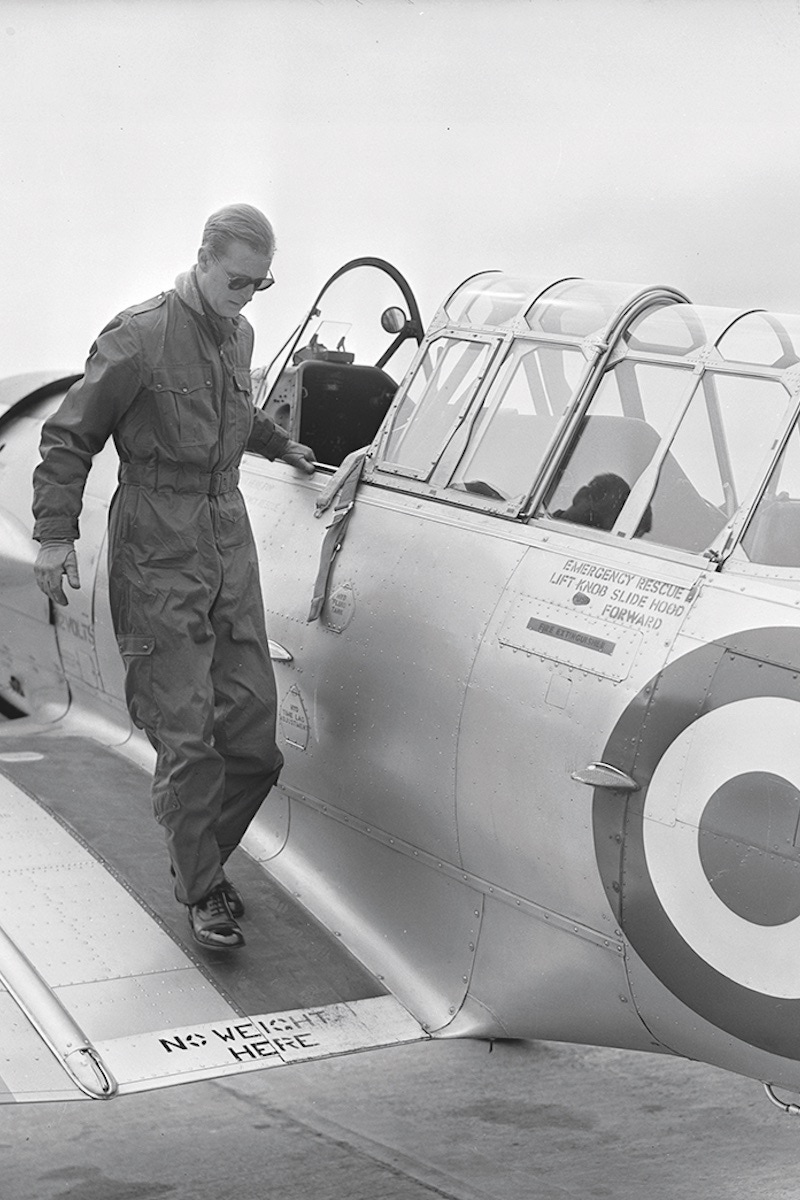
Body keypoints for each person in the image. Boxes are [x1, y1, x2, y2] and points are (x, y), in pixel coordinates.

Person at [32, 203, 315, 951]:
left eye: (260, 284)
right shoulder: (139, 335)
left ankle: (197, 864)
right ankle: (202, 890)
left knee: (254, 742)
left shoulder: (240, 332)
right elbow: (68, 438)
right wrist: (55, 538)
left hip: (228, 539)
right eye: (236, 281)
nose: (247, 296)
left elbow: (237, 411)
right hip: (156, 548)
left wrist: (284, 447)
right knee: (189, 741)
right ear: (202, 259)